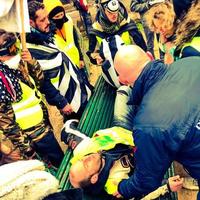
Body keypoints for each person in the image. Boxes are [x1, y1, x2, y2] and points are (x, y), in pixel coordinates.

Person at [109, 44, 200, 199]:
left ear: (122, 80)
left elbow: (146, 181)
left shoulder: (147, 124)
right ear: (150, 56)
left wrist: (123, 188)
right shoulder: (192, 62)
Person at [61, 85, 183, 199]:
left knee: (124, 89)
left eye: (81, 160)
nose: (86, 158)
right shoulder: (114, 183)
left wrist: (72, 123)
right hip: (143, 143)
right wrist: (166, 186)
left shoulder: (83, 151)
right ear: (94, 178)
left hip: (121, 125)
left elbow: (68, 130)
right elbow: (140, 190)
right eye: (86, 165)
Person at [0, 30, 64, 167]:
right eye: (9, 50)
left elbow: (39, 81)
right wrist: (26, 149)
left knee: (59, 163)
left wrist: (31, 62)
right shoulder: (2, 79)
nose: (14, 53)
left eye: (14, 48)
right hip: (25, 138)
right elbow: (5, 122)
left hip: (42, 127)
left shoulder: (17, 64)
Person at [27, 1, 92, 122]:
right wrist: (61, 102)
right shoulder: (30, 51)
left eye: (47, 17)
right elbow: (43, 82)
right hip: (68, 100)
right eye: (42, 20)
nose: (48, 22)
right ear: (31, 23)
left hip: (79, 86)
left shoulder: (46, 35)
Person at [86, 0, 147, 65]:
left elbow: (142, 47)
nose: (114, 15)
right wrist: (96, 58)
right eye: (110, 12)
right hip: (111, 70)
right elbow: (92, 53)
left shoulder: (127, 24)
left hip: (130, 66)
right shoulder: (96, 29)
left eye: (116, 11)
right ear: (102, 11)